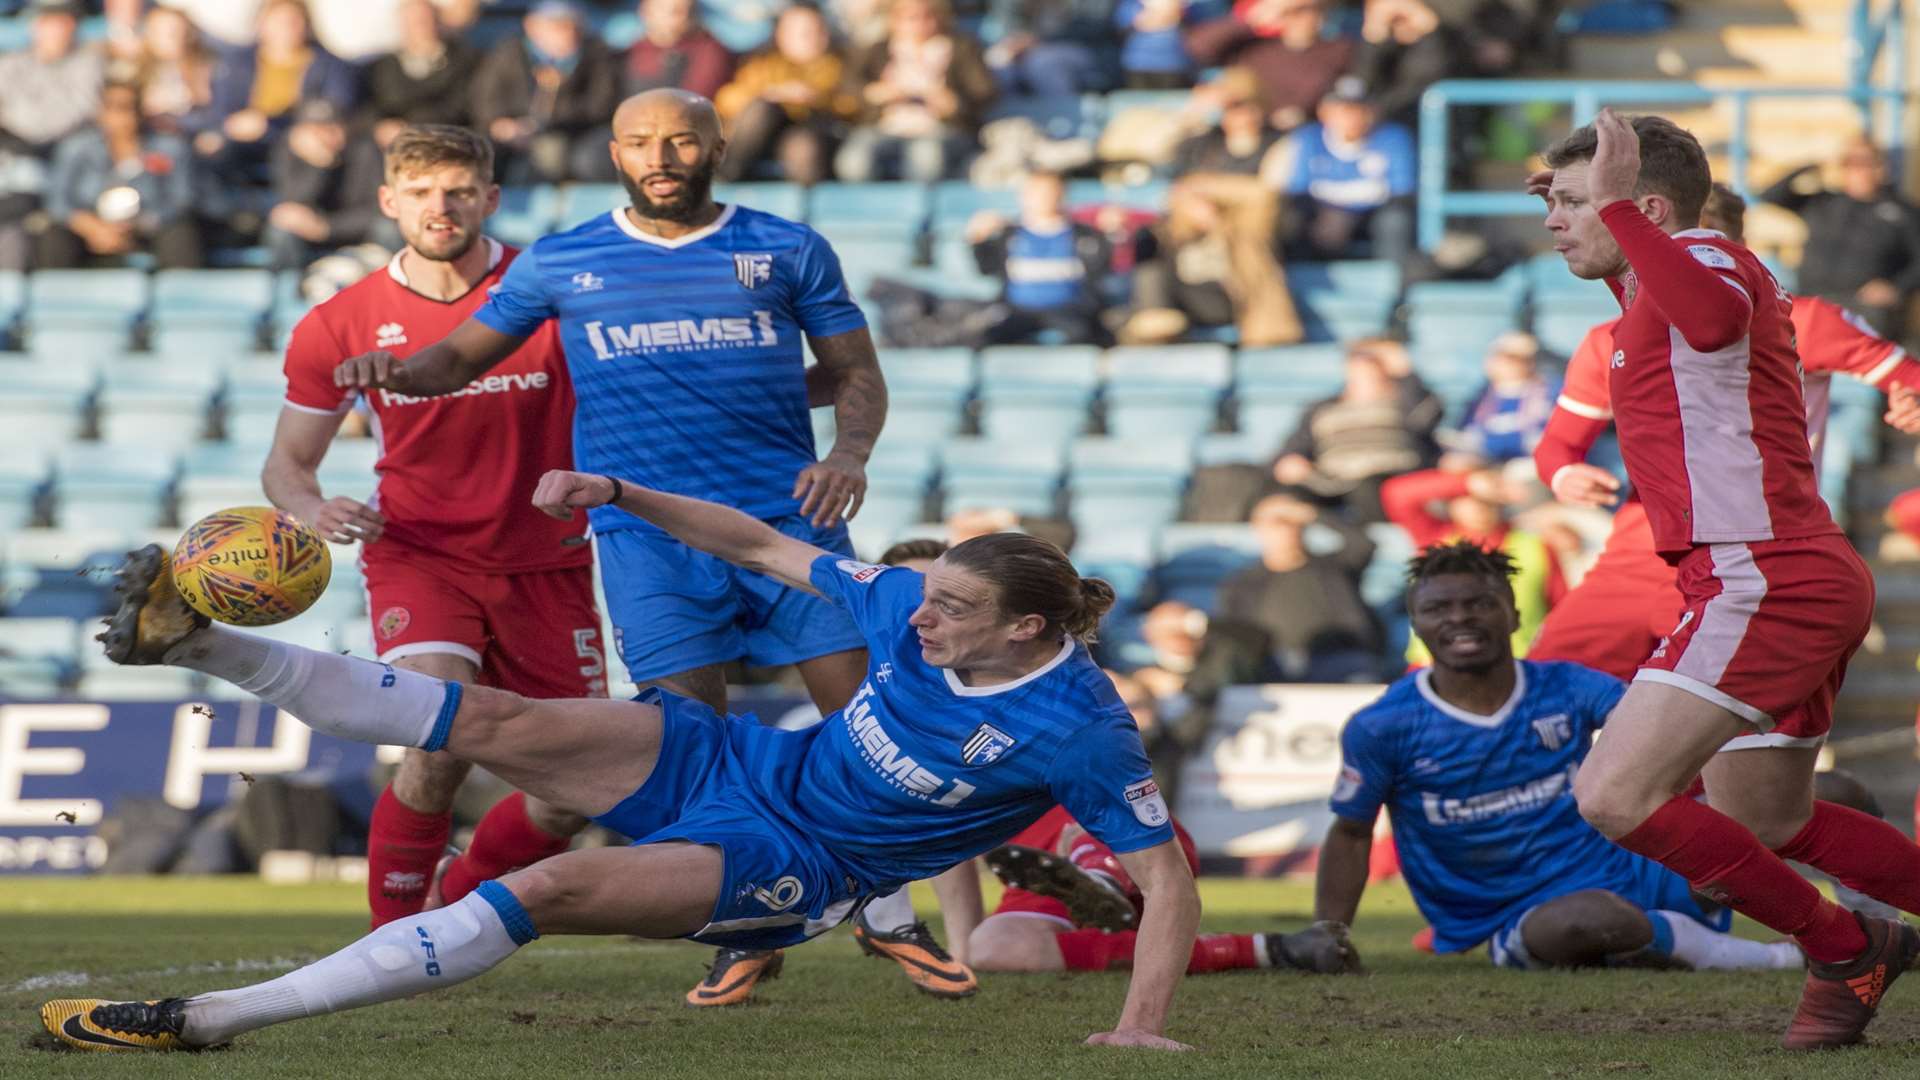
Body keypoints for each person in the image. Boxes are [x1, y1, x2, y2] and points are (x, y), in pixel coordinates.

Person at [44, 483, 1200, 1054]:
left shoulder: (1081, 727)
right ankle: (192, 639)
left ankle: (207, 1019)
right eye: (929, 593)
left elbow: (1171, 876)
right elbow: (755, 542)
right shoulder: (911, 596)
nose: (920, 614)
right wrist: (616, 495)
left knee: (546, 892)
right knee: (490, 719)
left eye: (954, 607)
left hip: (806, 858)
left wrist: (1141, 1025)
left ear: (1030, 633)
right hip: (744, 761)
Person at [313, 89, 970, 1008]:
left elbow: (857, 371)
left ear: (716, 147)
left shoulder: (786, 247)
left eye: (680, 139)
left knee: (865, 722)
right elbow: (455, 362)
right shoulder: (565, 259)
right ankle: (748, 923)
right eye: (639, 141)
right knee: (687, 747)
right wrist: (395, 370)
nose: (661, 154)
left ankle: (889, 911)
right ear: (615, 152)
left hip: (790, 526)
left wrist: (848, 455)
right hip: (647, 536)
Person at [1533, 109, 1920, 1050]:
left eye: (1572, 202)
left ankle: (1844, 947)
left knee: (1612, 797)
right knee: (1769, 816)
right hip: (1783, 569)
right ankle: (1852, 944)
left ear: (1645, 204)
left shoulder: (1703, 259)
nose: (1556, 221)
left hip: (1761, 577)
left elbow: (1710, 322)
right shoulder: (1648, 289)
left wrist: (1616, 209)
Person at [262, 123, 609, 932]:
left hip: (547, 562)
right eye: (419, 192)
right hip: (419, 554)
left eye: (458, 191)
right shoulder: (339, 323)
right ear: (388, 202)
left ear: (490, 198)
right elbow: (285, 466)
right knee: (441, 728)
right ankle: (389, 937)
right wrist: (314, 509)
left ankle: (456, 897)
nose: (440, 207)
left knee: (570, 797)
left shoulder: (550, 291)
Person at [1313, 541, 1805, 974]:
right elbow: (1352, 832)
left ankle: (1865, 924)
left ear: (1515, 615)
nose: (1459, 618)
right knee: (1594, 919)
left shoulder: (1568, 686)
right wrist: (1329, 932)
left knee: (1820, 799)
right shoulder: (1383, 725)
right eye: (1438, 608)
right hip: (1518, 914)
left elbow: (1666, 729)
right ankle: (1772, 960)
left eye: (1480, 603)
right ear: (1415, 623)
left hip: (1636, 867)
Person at [1530, 180, 1920, 682]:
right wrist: (1566, 475)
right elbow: (1557, 448)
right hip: (1641, 549)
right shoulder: (1608, 340)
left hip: (1761, 550)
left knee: (1734, 741)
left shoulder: (1800, 320)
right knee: (1540, 699)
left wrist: (1909, 399)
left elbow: (1909, 378)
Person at [1759, 136, 1920, 341]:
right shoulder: (1823, 201)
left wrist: (1897, 288)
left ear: (1880, 167)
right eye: (1849, 162)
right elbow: (1770, 195)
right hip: (1810, 301)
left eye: (1864, 162)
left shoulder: (1903, 212)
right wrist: (1812, 164)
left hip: (1862, 311)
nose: (1856, 170)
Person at [1272, 338, 1443, 523]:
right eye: (1358, 360)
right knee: (1284, 497)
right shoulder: (1322, 409)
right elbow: (1294, 448)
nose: (1364, 370)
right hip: (1332, 481)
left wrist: (1405, 370)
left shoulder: (1405, 403)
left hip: (1384, 481)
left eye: (1373, 361)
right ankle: (1351, 541)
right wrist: (1292, 461)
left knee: (1367, 489)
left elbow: (1427, 418)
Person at [1214, 492, 1382, 682]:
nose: (1287, 529)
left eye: (1293, 521)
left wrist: (1312, 513)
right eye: (1277, 522)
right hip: (1268, 664)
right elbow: (1232, 635)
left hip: (1337, 658)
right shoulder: (1241, 584)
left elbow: (1364, 543)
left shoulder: (1335, 567)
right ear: (1257, 527)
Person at [36, 81, 204, 270]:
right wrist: (92, 227)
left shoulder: (169, 148)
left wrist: (138, 224)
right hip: (91, 228)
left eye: (127, 108)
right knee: (55, 237)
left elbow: (182, 200)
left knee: (181, 234)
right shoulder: (76, 148)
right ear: (100, 112)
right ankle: (57, 296)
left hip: (148, 229)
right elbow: (57, 201)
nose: (121, 117)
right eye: (112, 107)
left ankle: (180, 294)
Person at [834, 0, 996, 183]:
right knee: (855, 160)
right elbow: (848, 85)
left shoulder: (963, 48)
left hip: (940, 128)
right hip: (886, 126)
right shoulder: (877, 50)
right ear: (893, 20)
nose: (919, 24)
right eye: (910, 18)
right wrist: (876, 92)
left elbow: (984, 92)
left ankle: (916, 208)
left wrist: (952, 102)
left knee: (926, 156)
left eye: (927, 16)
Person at [194, 0, 358, 174]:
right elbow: (220, 109)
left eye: (294, 21)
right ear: (261, 24)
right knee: (209, 148)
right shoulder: (237, 63)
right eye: (278, 21)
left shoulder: (330, 66)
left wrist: (270, 125)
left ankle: (300, 201)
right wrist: (230, 126)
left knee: (313, 145)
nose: (286, 28)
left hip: (295, 138)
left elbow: (336, 109)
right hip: (243, 139)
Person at [469, 1, 622, 184]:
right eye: (557, 26)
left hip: (570, 134)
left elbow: (600, 106)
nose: (567, 33)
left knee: (554, 153)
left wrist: (542, 123)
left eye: (572, 25)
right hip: (512, 134)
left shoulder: (597, 55)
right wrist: (500, 124)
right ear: (532, 27)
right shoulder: (508, 53)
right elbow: (485, 98)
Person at [1270, 75, 1416, 265]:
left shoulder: (1394, 138)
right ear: (1324, 112)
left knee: (1395, 220)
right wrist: (1333, 212)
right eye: (1343, 110)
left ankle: (1393, 280)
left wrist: (1345, 212)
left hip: (1371, 215)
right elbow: (1299, 189)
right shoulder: (1308, 138)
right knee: (1293, 219)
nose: (1351, 118)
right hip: (1323, 215)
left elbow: (1401, 190)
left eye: (1358, 110)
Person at [965, 168, 1114, 346]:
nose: (1044, 198)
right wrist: (977, 240)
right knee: (984, 336)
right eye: (1036, 192)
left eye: (1050, 191)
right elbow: (986, 268)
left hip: (1070, 311)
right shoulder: (1008, 234)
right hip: (1018, 311)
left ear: (1062, 193)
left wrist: (1113, 234)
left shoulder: (1085, 235)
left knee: (1086, 336)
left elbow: (1102, 269)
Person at [713, 2, 857, 185]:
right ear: (782, 35)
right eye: (804, 33)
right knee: (762, 110)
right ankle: (725, 179)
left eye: (819, 30)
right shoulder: (764, 64)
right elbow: (727, 100)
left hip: (814, 134)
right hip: (763, 136)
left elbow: (854, 105)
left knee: (803, 147)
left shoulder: (841, 65)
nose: (814, 38)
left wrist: (816, 99)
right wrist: (773, 94)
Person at [262, 100, 395, 271]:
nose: (325, 135)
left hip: (354, 230)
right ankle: (288, 292)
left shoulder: (365, 150)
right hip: (310, 233)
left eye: (331, 127)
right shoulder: (289, 150)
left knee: (387, 229)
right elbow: (293, 204)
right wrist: (317, 164)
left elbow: (379, 209)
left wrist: (328, 228)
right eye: (315, 130)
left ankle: (393, 288)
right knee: (281, 230)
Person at [1183, 0, 1349, 132]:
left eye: (1311, 10)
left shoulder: (1338, 50)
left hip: (1303, 131)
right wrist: (1251, 18)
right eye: (1294, 12)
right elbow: (1198, 47)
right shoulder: (1255, 48)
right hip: (1249, 128)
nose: (1303, 18)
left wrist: (1301, 112)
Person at [362, 0, 479, 146]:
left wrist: (411, 127)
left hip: (443, 138)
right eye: (412, 21)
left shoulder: (464, 60)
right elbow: (367, 105)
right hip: (389, 141)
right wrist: (380, 126)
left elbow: (461, 106)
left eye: (424, 19)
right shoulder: (382, 65)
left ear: (437, 20)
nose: (419, 26)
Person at [0, 0, 105, 158]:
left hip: (65, 147)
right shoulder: (11, 64)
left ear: (73, 26)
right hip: (14, 146)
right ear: (34, 25)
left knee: (84, 145)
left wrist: (29, 128)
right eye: (48, 22)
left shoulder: (89, 63)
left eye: (63, 23)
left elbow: (81, 110)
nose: (55, 30)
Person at [1452, 331, 1553, 463]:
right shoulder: (1484, 395)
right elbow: (1467, 433)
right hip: (1483, 462)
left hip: (1526, 464)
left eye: (1514, 359)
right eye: (1500, 357)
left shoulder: (1546, 393)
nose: (1505, 364)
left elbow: (1540, 440)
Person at [623, 0, 736, 100]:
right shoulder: (632, 50)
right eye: (671, 11)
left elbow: (696, 99)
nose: (682, 17)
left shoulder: (710, 51)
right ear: (645, 11)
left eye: (687, 11)